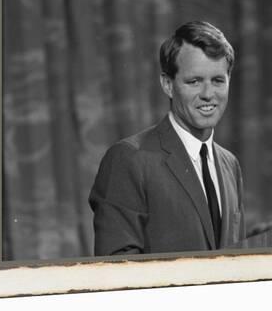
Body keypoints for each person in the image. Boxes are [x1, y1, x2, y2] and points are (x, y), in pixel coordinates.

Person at [89, 21, 245, 256]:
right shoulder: (129, 159)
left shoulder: (230, 164)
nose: (208, 94)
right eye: (194, 81)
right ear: (168, 85)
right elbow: (118, 270)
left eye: (217, 80)